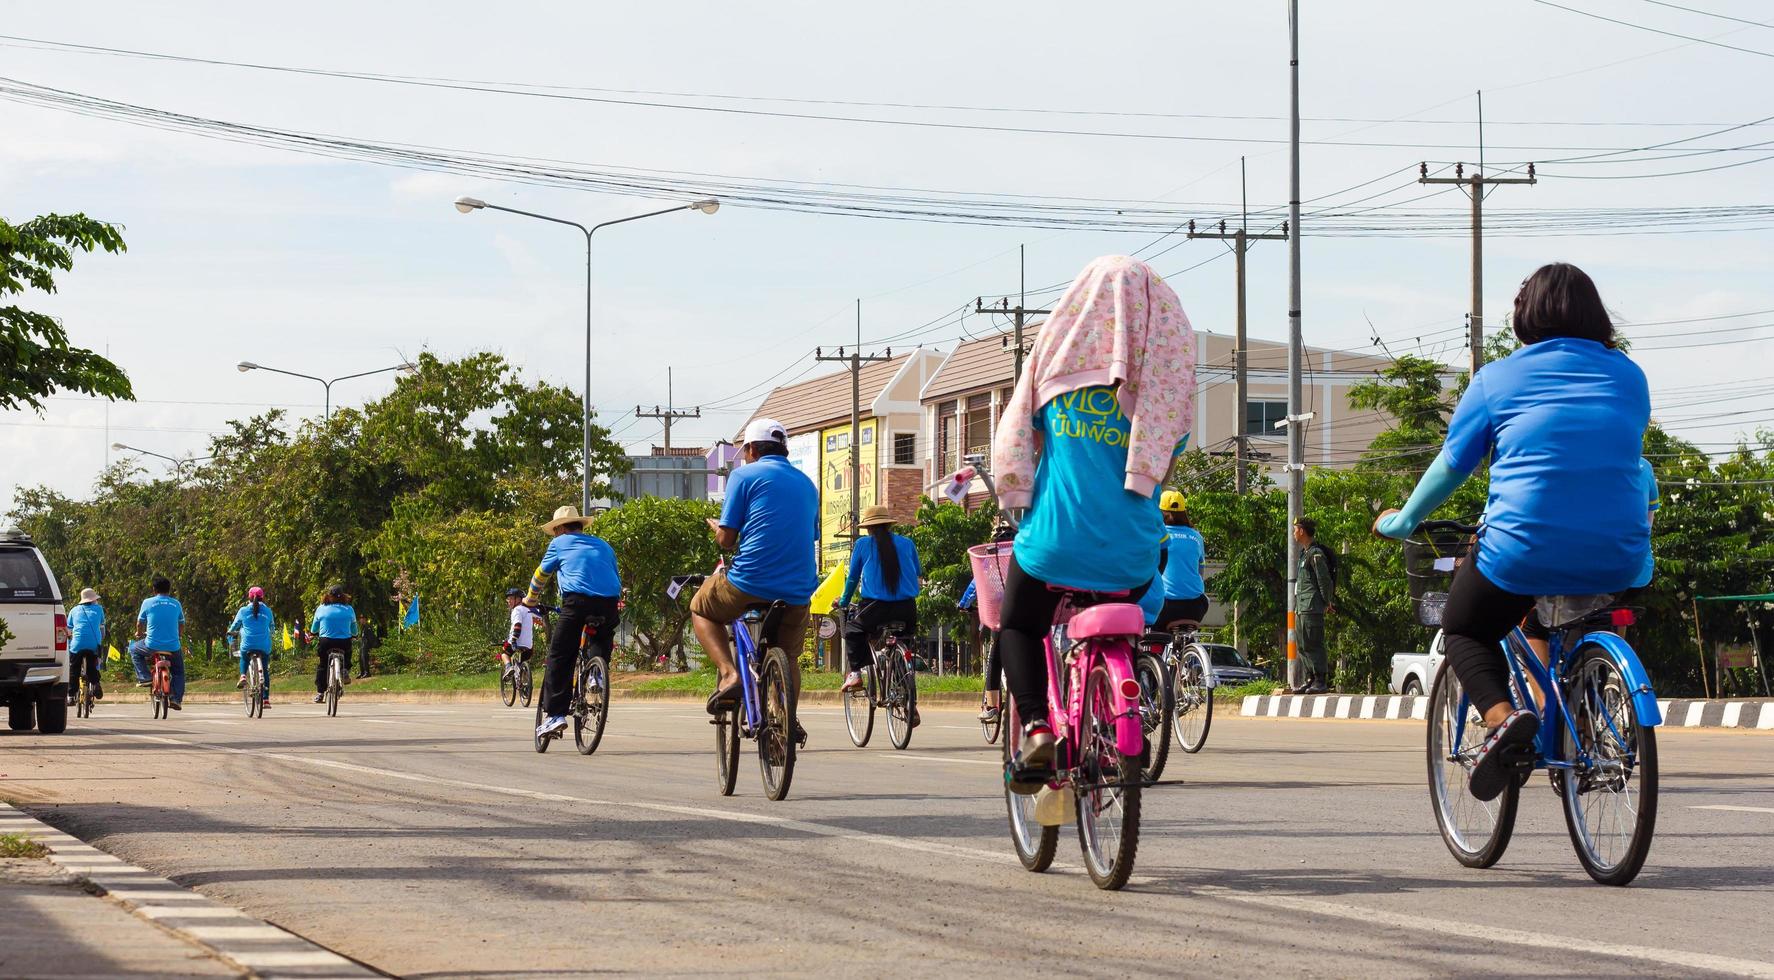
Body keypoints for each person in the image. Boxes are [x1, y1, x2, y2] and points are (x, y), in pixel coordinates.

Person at [1375, 261, 1649, 803]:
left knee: (1464, 626)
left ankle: (1502, 719)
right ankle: (1581, 711)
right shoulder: (1629, 376)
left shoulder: (1496, 379)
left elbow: (1453, 464)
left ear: (1526, 317)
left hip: (1524, 551)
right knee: (1572, 615)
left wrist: (1404, 519)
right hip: (1620, 554)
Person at [990, 255, 1196, 790]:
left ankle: (1036, 725)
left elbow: (1021, 442)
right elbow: (1163, 464)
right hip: (1131, 557)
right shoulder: (1164, 398)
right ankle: (1117, 712)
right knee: (1129, 610)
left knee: (1018, 624)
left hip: (1053, 547)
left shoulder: (1053, 376)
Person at [689, 417, 818, 744]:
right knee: (788, 656)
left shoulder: (743, 476)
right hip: (799, 589)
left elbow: (727, 540)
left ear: (752, 449)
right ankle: (786, 717)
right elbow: (808, 534)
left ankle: (730, 674)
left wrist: (718, 528)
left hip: (749, 581)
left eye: (745, 450)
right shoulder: (807, 485)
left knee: (700, 608)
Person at [525, 505, 621, 738]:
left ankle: (555, 715)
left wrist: (530, 600)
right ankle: (596, 675)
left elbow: (541, 574)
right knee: (602, 635)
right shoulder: (604, 545)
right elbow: (615, 575)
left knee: (560, 655)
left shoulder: (558, 544)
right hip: (609, 603)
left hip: (577, 603)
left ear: (559, 529)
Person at [837, 505, 923, 703]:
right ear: (889, 525)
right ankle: (906, 698)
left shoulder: (862, 544)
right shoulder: (907, 543)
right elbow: (918, 571)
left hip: (875, 608)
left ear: (869, 528)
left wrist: (843, 601)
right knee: (904, 644)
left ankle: (856, 674)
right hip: (907, 608)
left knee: (852, 631)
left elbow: (852, 579)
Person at [1292, 516, 1336, 693]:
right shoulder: (1305, 554)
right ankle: (1310, 677)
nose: (1294, 533)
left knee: (1314, 642)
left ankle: (1320, 680)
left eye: (1295, 529)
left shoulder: (1316, 554)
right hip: (1302, 606)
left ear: (1302, 531)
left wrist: (1328, 601)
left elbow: (1324, 580)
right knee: (1302, 643)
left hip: (1312, 606)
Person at [1157, 492, 1209, 629]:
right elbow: (1200, 572)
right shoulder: (1197, 537)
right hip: (1196, 607)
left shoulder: (1158, 534)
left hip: (1165, 606)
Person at [135, 575, 186, 710]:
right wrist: (179, 635)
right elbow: (181, 624)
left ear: (154, 589)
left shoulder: (147, 602)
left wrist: (139, 633)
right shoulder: (176, 603)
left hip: (151, 645)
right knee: (179, 672)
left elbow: (140, 622)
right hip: (173, 646)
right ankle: (176, 699)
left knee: (134, 649)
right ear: (169, 590)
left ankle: (144, 676)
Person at [309, 585, 358, 703]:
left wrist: (313, 633)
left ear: (328, 596)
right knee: (347, 656)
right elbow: (354, 628)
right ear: (343, 597)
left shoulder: (321, 608)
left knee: (323, 665)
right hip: (344, 642)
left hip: (326, 641)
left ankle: (320, 693)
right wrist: (355, 635)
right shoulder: (349, 609)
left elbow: (314, 628)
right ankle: (344, 669)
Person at [228, 586, 276, 706]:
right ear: (262, 597)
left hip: (247, 644)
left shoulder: (243, 611)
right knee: (265, 670)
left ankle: (243, 676)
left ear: (249, 597)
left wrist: (229, 632)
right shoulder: (268, 611)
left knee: (244, 657)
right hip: (264, 645)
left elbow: (234, 626)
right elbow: (272, 629)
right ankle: (265, 700)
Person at [66, 588, 105, 706]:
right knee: (92, 666)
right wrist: (99, 641)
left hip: (77, 645)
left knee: (74, 669)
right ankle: (96, 683)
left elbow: (68, 628)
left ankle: (71, 695)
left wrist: (71, 638)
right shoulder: (99, 609)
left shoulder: (74, 610)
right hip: (94, 644)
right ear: (93, 600)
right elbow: (102, 627)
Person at [501, 587, 536, 669]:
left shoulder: (517, 610)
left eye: (511, 598)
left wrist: (513, 640)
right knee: (521, 668)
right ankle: (524, 678)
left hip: (517, 643)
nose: (509, 601)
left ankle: (508, 668)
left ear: (518, 600)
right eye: (508, 599)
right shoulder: (528, 611)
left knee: (504, 654)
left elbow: (517, 626)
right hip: (529, 647)